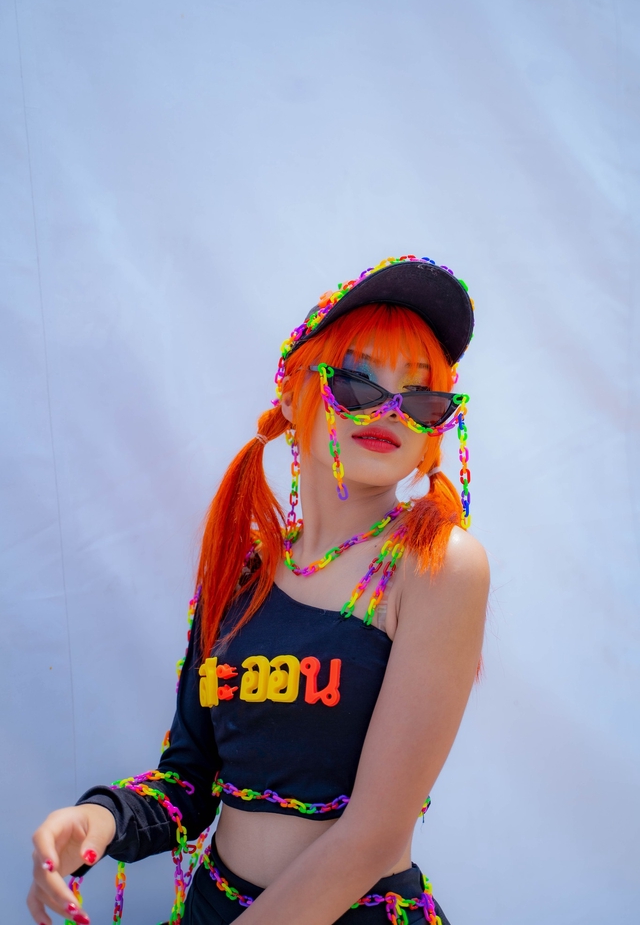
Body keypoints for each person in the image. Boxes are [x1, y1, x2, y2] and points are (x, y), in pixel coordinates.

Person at [28, 255, 489, 925]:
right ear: (294, 397)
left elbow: (372, 836)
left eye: (420, 395)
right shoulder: (241, 573)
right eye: (357, 380)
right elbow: (189, 782)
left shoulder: (437, 566)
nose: (389, 408)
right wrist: (100, 819)